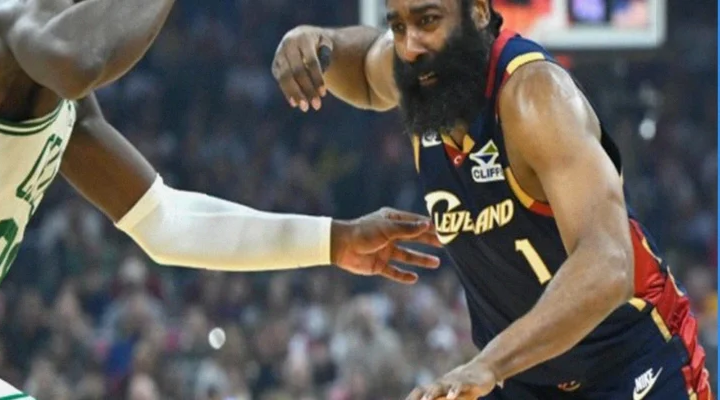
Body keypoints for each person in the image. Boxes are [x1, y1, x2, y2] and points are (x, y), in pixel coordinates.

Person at [0, 0, 444, 399]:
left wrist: (333, 239)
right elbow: (80, 60)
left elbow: (165, 222)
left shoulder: (55, 98)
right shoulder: (0, 24)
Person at [270, 0, 713, 399]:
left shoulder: (535, 96)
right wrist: (315, 41)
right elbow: (367, 72)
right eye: (398, 26)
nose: (410, 45)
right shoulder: (418, 70)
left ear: (479, 11)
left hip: (632, 359)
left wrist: (489, 364)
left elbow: (609, 264)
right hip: (525, 376)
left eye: (428, 20)